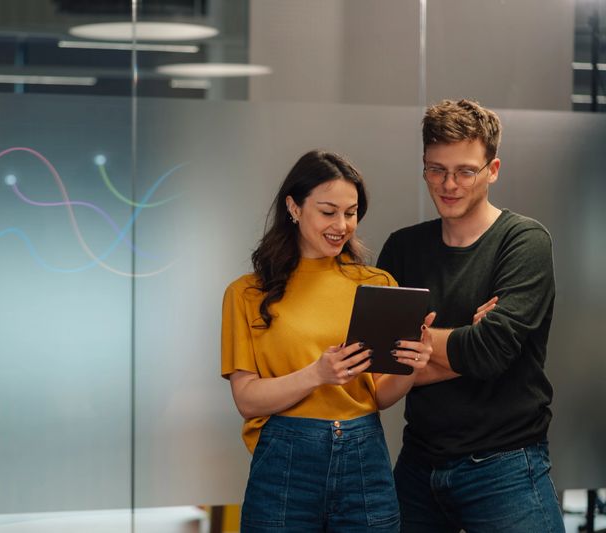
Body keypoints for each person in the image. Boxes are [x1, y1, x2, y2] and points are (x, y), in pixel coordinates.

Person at [376, 99, 565, 532]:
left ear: (492, 170)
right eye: (436, 169)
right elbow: (377, 359)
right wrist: (470, 344)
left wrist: (420, 348)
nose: (449, 184)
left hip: (506, 468)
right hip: (418, 465)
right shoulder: (403, 248)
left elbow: (492, 350)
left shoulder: (524, 242)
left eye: (465, 171)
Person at [221, 149, 434, 532]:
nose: (342, 224)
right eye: (328, 211)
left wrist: (411, 367)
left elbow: (378, 395)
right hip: (285, 463)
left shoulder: (377, 284)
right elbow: (246, 399)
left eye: (350, 212)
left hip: (364, 458)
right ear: (294, 207)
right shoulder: (247, 293)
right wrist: (317, 373)